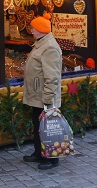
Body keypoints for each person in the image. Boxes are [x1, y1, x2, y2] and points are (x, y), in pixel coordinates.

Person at [22, 13, 63, 170]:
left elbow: (51, 76)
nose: (31, 31)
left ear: (40, 30)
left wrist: (47, 98)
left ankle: (51, 158)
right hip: (37, 95)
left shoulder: (50, 47)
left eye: (33, 28)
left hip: (45, 97)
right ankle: (39, 152)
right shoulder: (41, 44)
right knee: (38, 126)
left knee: (48, 128)